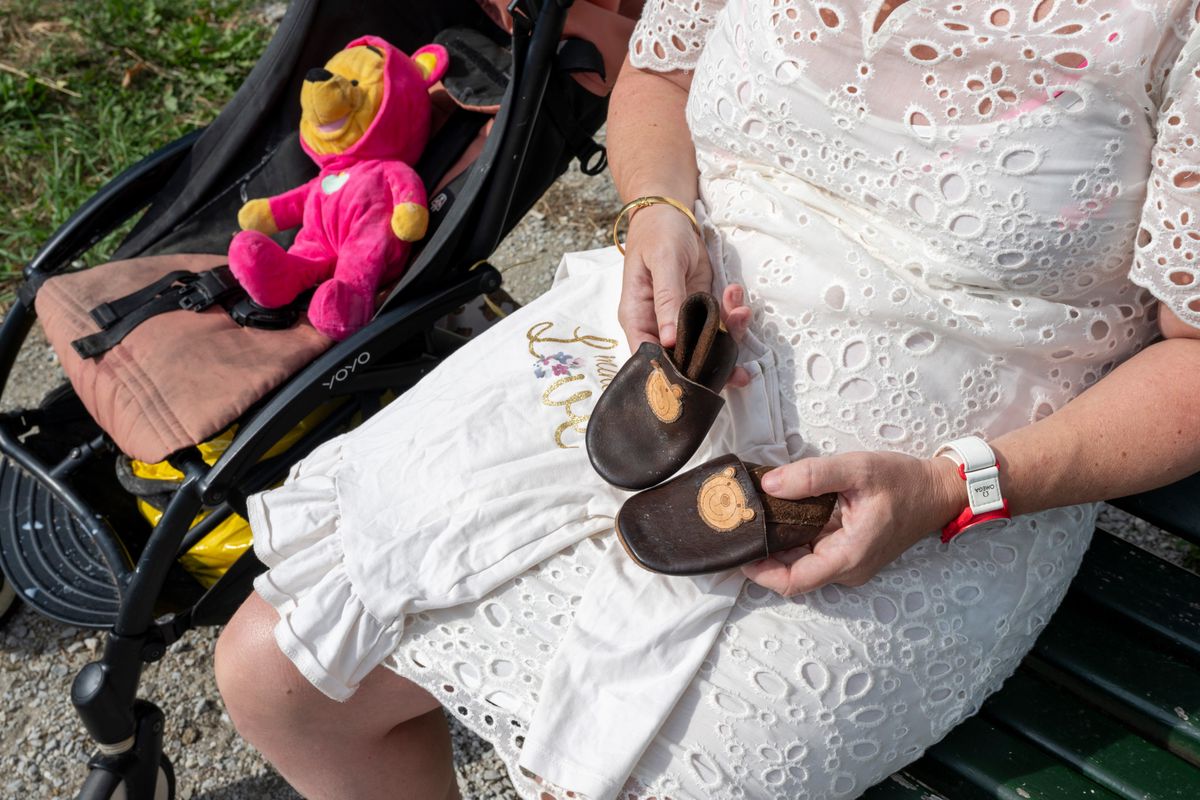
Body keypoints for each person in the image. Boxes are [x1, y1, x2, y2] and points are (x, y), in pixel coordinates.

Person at [213, 1, 1200, 798]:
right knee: (278, 674)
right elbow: (659, 76)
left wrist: (954, 489)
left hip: (930, 486)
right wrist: (658, 211)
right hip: (657, 354)